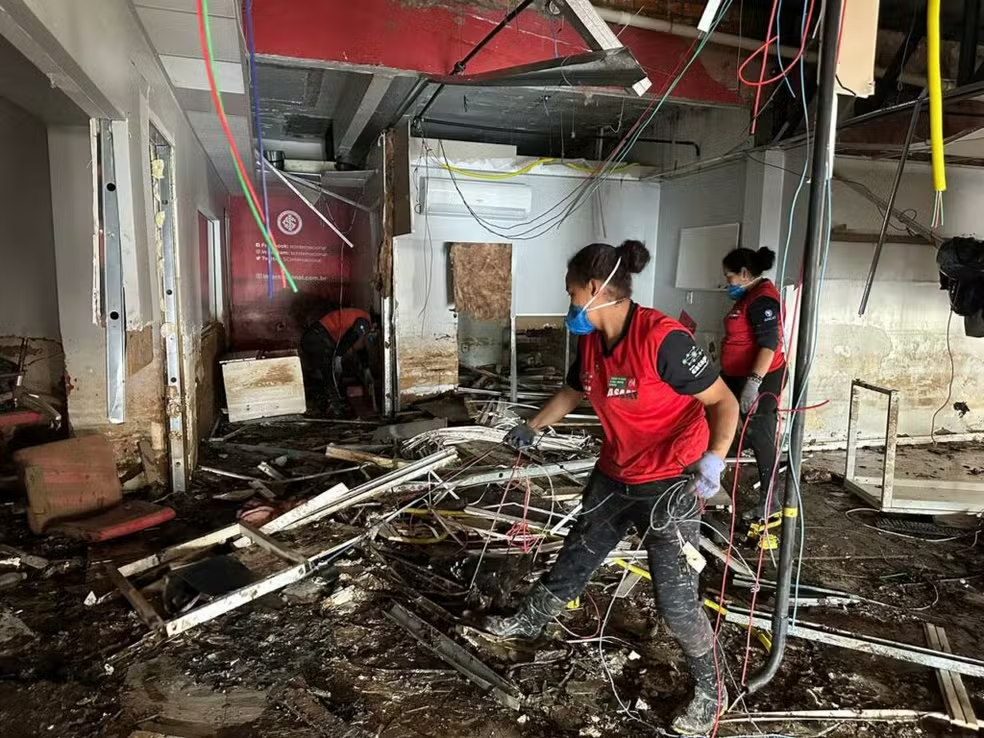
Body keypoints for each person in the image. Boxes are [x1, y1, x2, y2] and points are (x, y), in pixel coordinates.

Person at [488, 240, 739, 735]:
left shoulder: (662, 339)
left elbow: (723, 401)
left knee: (676, 601)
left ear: (594, 289)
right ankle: (530, 620)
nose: (569, 303)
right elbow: (573, 390)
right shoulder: (591, 339)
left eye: (571, 293)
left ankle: (713, 690)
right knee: (577, 554)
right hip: (615, 473)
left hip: (669, 482)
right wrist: (532, 426)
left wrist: (714, 459)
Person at [720, 247, 787, 522]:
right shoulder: (749, 296)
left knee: (760, 431)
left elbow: (769, 344)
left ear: (745, 273)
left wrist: (753, 383)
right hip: (737, 376)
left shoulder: (763, 299)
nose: (728, 282)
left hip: (762, 377)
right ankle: (711, 477)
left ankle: (770, 502)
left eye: (730, 276)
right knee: (721, 420)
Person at [300, 306, 374, 403]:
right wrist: (339, 356)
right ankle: (333, 401)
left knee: (329, 368)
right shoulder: (364, 322)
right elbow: (351, 337)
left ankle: (329, 397)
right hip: (317, 335)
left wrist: (366, 368)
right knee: (330, 367)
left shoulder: (362, 320)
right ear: (375, 326)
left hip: (316, 334)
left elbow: (359, 345)